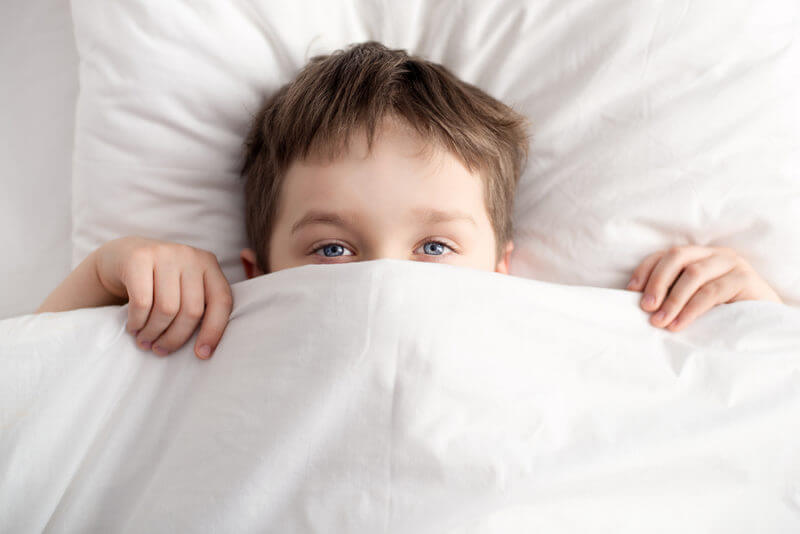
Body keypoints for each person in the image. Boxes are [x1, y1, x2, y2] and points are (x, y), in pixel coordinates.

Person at [36, 42, 783, 360]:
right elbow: (26, 416)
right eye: (331, 249)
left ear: (502, 269)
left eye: (435, 248)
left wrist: (759, 326)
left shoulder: (549, 341)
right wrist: (109, 273)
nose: (384, 282)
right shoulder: (218, 337)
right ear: (257, 275)